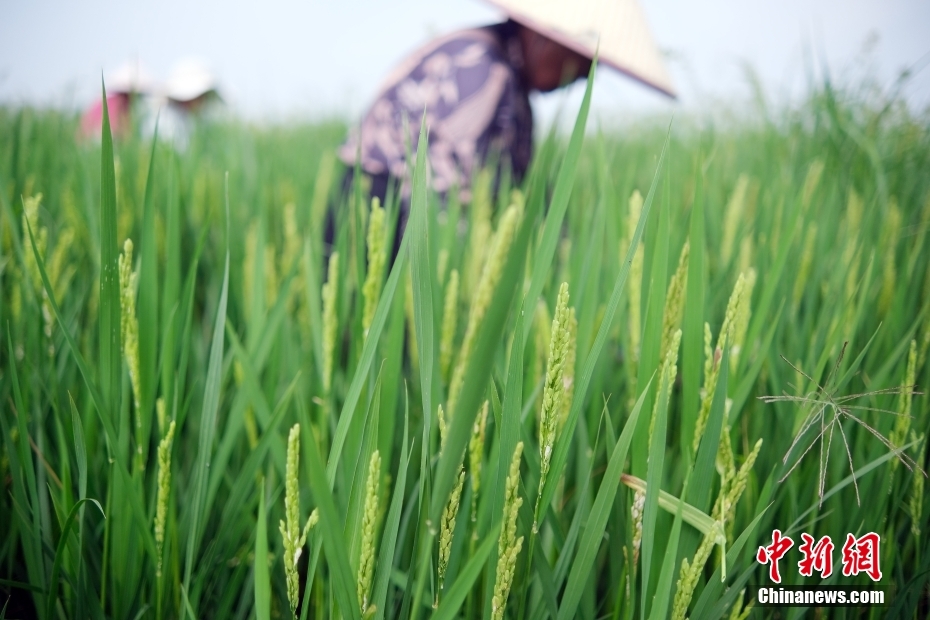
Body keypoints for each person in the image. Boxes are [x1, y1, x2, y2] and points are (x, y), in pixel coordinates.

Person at [338, 0, 676, 214]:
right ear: (544, 36)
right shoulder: (486, 69)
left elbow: (518, 187)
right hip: (381, 206)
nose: (585, 76)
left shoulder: (511, 82)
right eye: (583, 58)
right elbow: (449, 200)